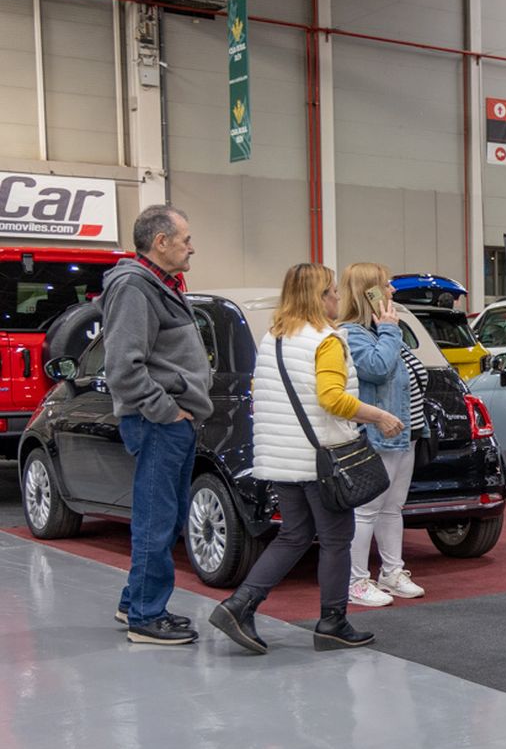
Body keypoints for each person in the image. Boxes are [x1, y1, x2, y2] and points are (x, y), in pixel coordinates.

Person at [209, 264, 405, 655]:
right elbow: (332, 398)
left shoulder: (274, 338)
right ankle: (333, 622)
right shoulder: (326, 341)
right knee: (336, 539)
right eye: (331, 292)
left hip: (283, 458)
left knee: (294, 535)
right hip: (321, 459)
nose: (337, 298)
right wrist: (379, 416)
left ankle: (239, 604)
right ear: (319, 298)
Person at [102, 205, 212, 645]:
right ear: (161, 241)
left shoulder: (156, 285)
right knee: (157, 519)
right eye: (185, 239)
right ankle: (147, 618)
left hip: (169, 423)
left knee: (164, 517)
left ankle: (135, 601)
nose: (192, 247)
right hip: (159, 424)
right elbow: (123, 368)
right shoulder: (134, 287)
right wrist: (166, 410)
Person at [338, 262, 429, 608]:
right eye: (385, 287)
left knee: (393, 507)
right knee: (367, 509)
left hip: (405, 434)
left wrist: (389, 329)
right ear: (370, 293)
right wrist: (390, 330)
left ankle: (392, 572)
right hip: (379, 435)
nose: (392, 292)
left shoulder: (380, 330)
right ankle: (356, 581)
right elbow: (377, 369)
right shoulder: (354, 333)